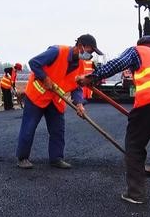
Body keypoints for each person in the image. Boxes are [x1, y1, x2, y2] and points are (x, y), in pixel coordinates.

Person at [77, 35, 150, 204]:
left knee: (134, 145)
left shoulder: (137, 51)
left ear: (142, 45)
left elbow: (116, 64)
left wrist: (92, 77)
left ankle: (135, 194)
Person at [16, 34, 103, 169]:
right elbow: (34, 62)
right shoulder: (56, 51)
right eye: (90, 51)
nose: (90, 55)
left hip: (56, 100)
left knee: (58, 130)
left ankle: (56, 158)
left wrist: (79, 103)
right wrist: (45, 78)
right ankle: (22, 158)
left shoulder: (80, 65)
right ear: (80, 46)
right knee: (29, 128)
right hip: (37, 96)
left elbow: (77, 87)